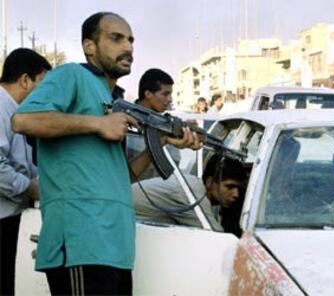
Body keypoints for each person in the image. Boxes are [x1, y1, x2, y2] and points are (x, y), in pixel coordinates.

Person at [11, 12, 198, 296]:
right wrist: (98, 123)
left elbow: (121, 177)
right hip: (80, 244)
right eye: (116, 38)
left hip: (115, 248)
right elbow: (23, 120)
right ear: (90, 46)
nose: (128, 47)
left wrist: (159, 143)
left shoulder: (114, 100)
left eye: (131, 40)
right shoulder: (71, 75)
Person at [0, 48, 51, 296]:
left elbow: (23, 163)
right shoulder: (0, 107)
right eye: (42, 83)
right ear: (24, 80)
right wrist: (30, 186)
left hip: (11, 216)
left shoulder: (15, 112)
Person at [133, 154, 246, 231]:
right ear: (209, 182)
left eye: (238, 188)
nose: (236, 194)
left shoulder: (202, 192)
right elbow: (217, 237)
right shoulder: (191, 194)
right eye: (230, 187)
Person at [128, 68, 197, 180]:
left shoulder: (162, 122)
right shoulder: (127, 119)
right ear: (148, 94)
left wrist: (182, 130)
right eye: (165, 94)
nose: (170, 99)